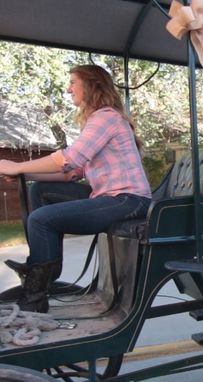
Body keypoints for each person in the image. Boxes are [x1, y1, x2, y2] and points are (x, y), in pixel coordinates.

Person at [0, 65, 152, 313]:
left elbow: (71, 158)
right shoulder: (97, 120)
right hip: (111, 196)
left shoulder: (106, 117)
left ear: (91, 85)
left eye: (73, 82)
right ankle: (45, 267)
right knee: (39, 189)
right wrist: (24, 174)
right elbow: (72, 172)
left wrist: (16, 166)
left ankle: (36, 290)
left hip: (130, 200)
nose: (68, 88)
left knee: (40, 220)